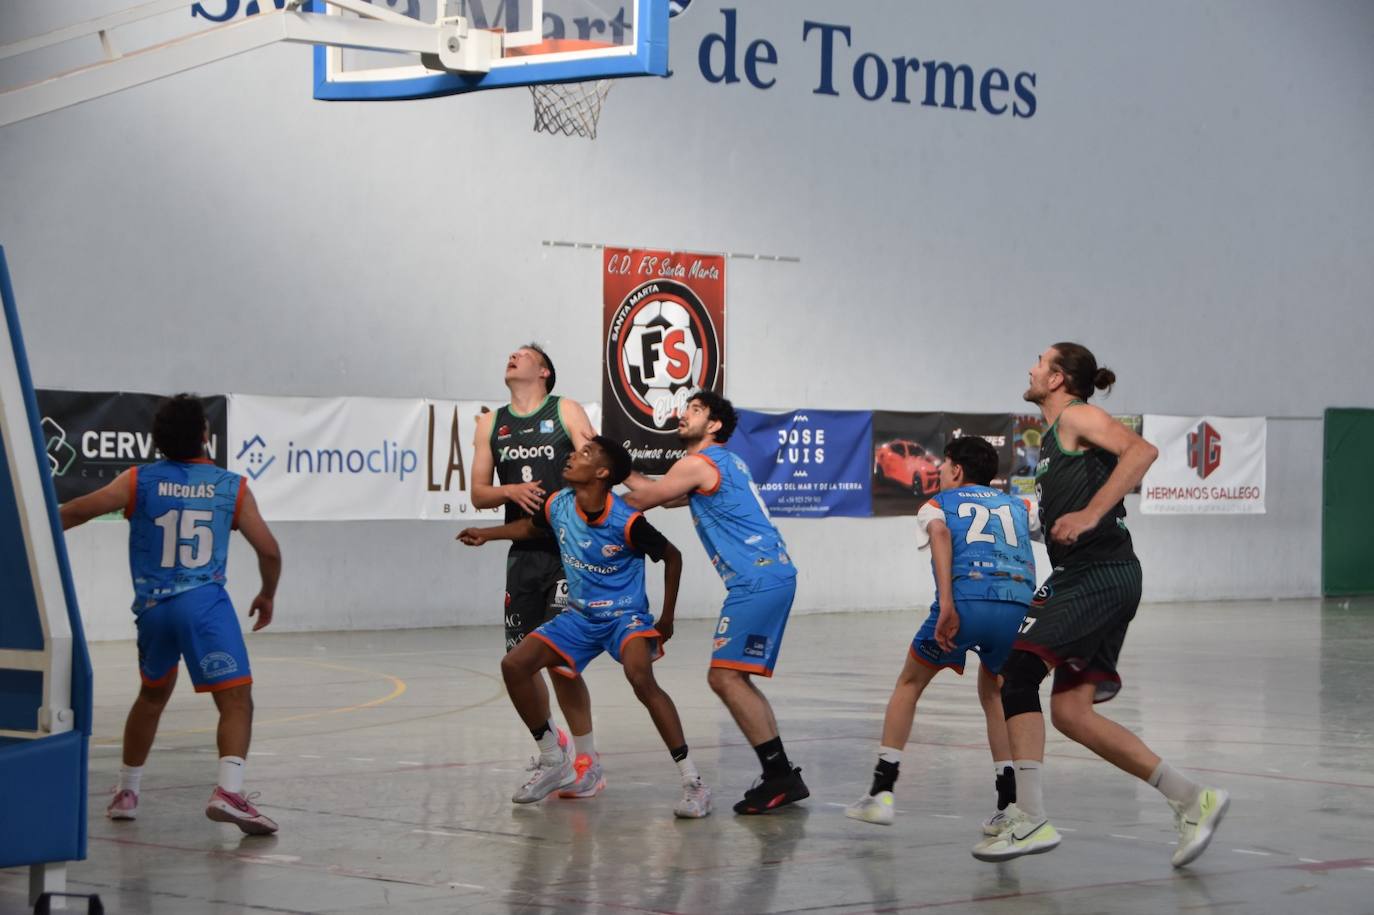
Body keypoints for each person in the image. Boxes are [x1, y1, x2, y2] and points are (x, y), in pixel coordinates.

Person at [973, 343, 1228, 866]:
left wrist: (1089, 513)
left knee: (1016, 675)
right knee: (1070, 713)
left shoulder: (1077, 415)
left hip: (1100, 573)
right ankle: (1192, 799)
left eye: (1039, 362)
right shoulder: (1051, 438)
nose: (1030, 367)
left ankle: (1031, 818)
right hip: (1084, 573)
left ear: (1059, 378)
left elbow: (1142, 451)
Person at [59, 394, 281, 835]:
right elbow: (269, 550)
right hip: (205, 608)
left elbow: (74, 511)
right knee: (236, 699)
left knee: (152, 697)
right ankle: (230, 792)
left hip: (154, 609)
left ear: (158, 441)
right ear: (204, 434)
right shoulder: (230, 486)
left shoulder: (137, 480)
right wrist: (267, 593)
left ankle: (127, 791)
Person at [458, 436, 712, 817]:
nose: (574, 456)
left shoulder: (626, 520)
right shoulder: (558, 503)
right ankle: (554, 759)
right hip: (579, 616)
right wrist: (488, 534)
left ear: (602, 473)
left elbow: (672, 557)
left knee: (640, 678)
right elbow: (531, 528)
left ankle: (693, 782)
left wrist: (666, 618)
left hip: (624, 618)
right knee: (514, 665)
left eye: (585, 454)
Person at [623, 391, 807, 815]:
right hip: (770, 575)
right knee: (734, 677)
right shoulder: (722, 463)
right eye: (686, 409)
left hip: (756, 579)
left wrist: (591, 490)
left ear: (714, 426)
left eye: (695, 410)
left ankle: (779, 775)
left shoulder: (699, 463)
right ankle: (781, 774)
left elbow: (642, 500)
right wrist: (620, 469)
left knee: (724, 678)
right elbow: (663, 494)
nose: (683, 415)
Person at [846, 436, 1035, 833]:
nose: (940, 471)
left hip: (966, 601)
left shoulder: (936, 504)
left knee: (909, 683)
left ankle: (881, 792)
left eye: (944, 465)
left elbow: (942, 536)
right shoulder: (1020, 505)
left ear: (957, 470)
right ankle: (1008, 801)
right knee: (995, 692)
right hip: (1018, 607)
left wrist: (947, 604)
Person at [470, 344, 605, 798]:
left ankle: (588, 762)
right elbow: (479, 493)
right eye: (508, 353)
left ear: (544, 370)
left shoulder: (564, 409)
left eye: (523, 354)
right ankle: (553, 753)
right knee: (522, 664)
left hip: (570, 554)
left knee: (562, 662)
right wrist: (510, 488)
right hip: (524, 552)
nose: (511, 357)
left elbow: (598, 465)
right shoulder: (492, 424)